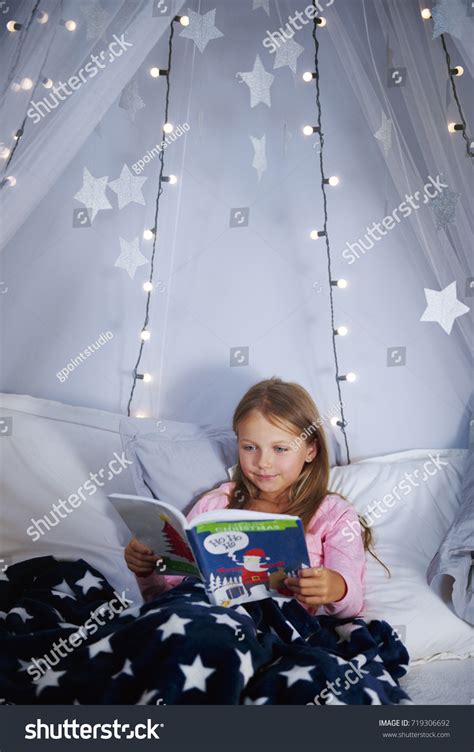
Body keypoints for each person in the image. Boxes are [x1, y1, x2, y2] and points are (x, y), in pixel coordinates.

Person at [125, 376, 376, 618]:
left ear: (310, 450)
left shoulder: (333, 513)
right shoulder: (214, 505)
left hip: (284, 631)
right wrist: (147, 571)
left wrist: (336, 588)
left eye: (280, 449)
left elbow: (352, 603)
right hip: (207, 621)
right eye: (249, 447)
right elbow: (166, 600)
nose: (263, 462)